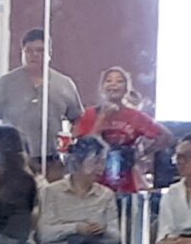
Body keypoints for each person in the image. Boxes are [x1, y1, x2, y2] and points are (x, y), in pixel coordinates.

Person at [0, 28, 83, 175]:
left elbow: (78, 121)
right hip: (15, 161)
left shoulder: (64, 84)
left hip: (53, 161)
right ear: (22, 53)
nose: (34, 55)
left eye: (40, 50)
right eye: (28, 51)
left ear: (50, 53)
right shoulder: (6, 83)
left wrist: (70, 147)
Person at [70, 67, 165, 195]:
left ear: (127, 88)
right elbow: (86, 146)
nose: (113, 84)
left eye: (119, 81)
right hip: (95, 183)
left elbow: (166, 137)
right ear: (102, 87)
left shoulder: (136, 116)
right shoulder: (90, 114)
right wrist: (103, 117)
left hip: (125, 182)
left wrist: (142, 154)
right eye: (109, 81)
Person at [38, 135, 122, 244]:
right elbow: (44, 234)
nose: (101, 168)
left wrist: (103, 230)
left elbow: (115, 238)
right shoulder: (51, 192)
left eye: (103, 162)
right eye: (96, 162)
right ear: (78, 162)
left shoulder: (106, 195)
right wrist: (76, 228)